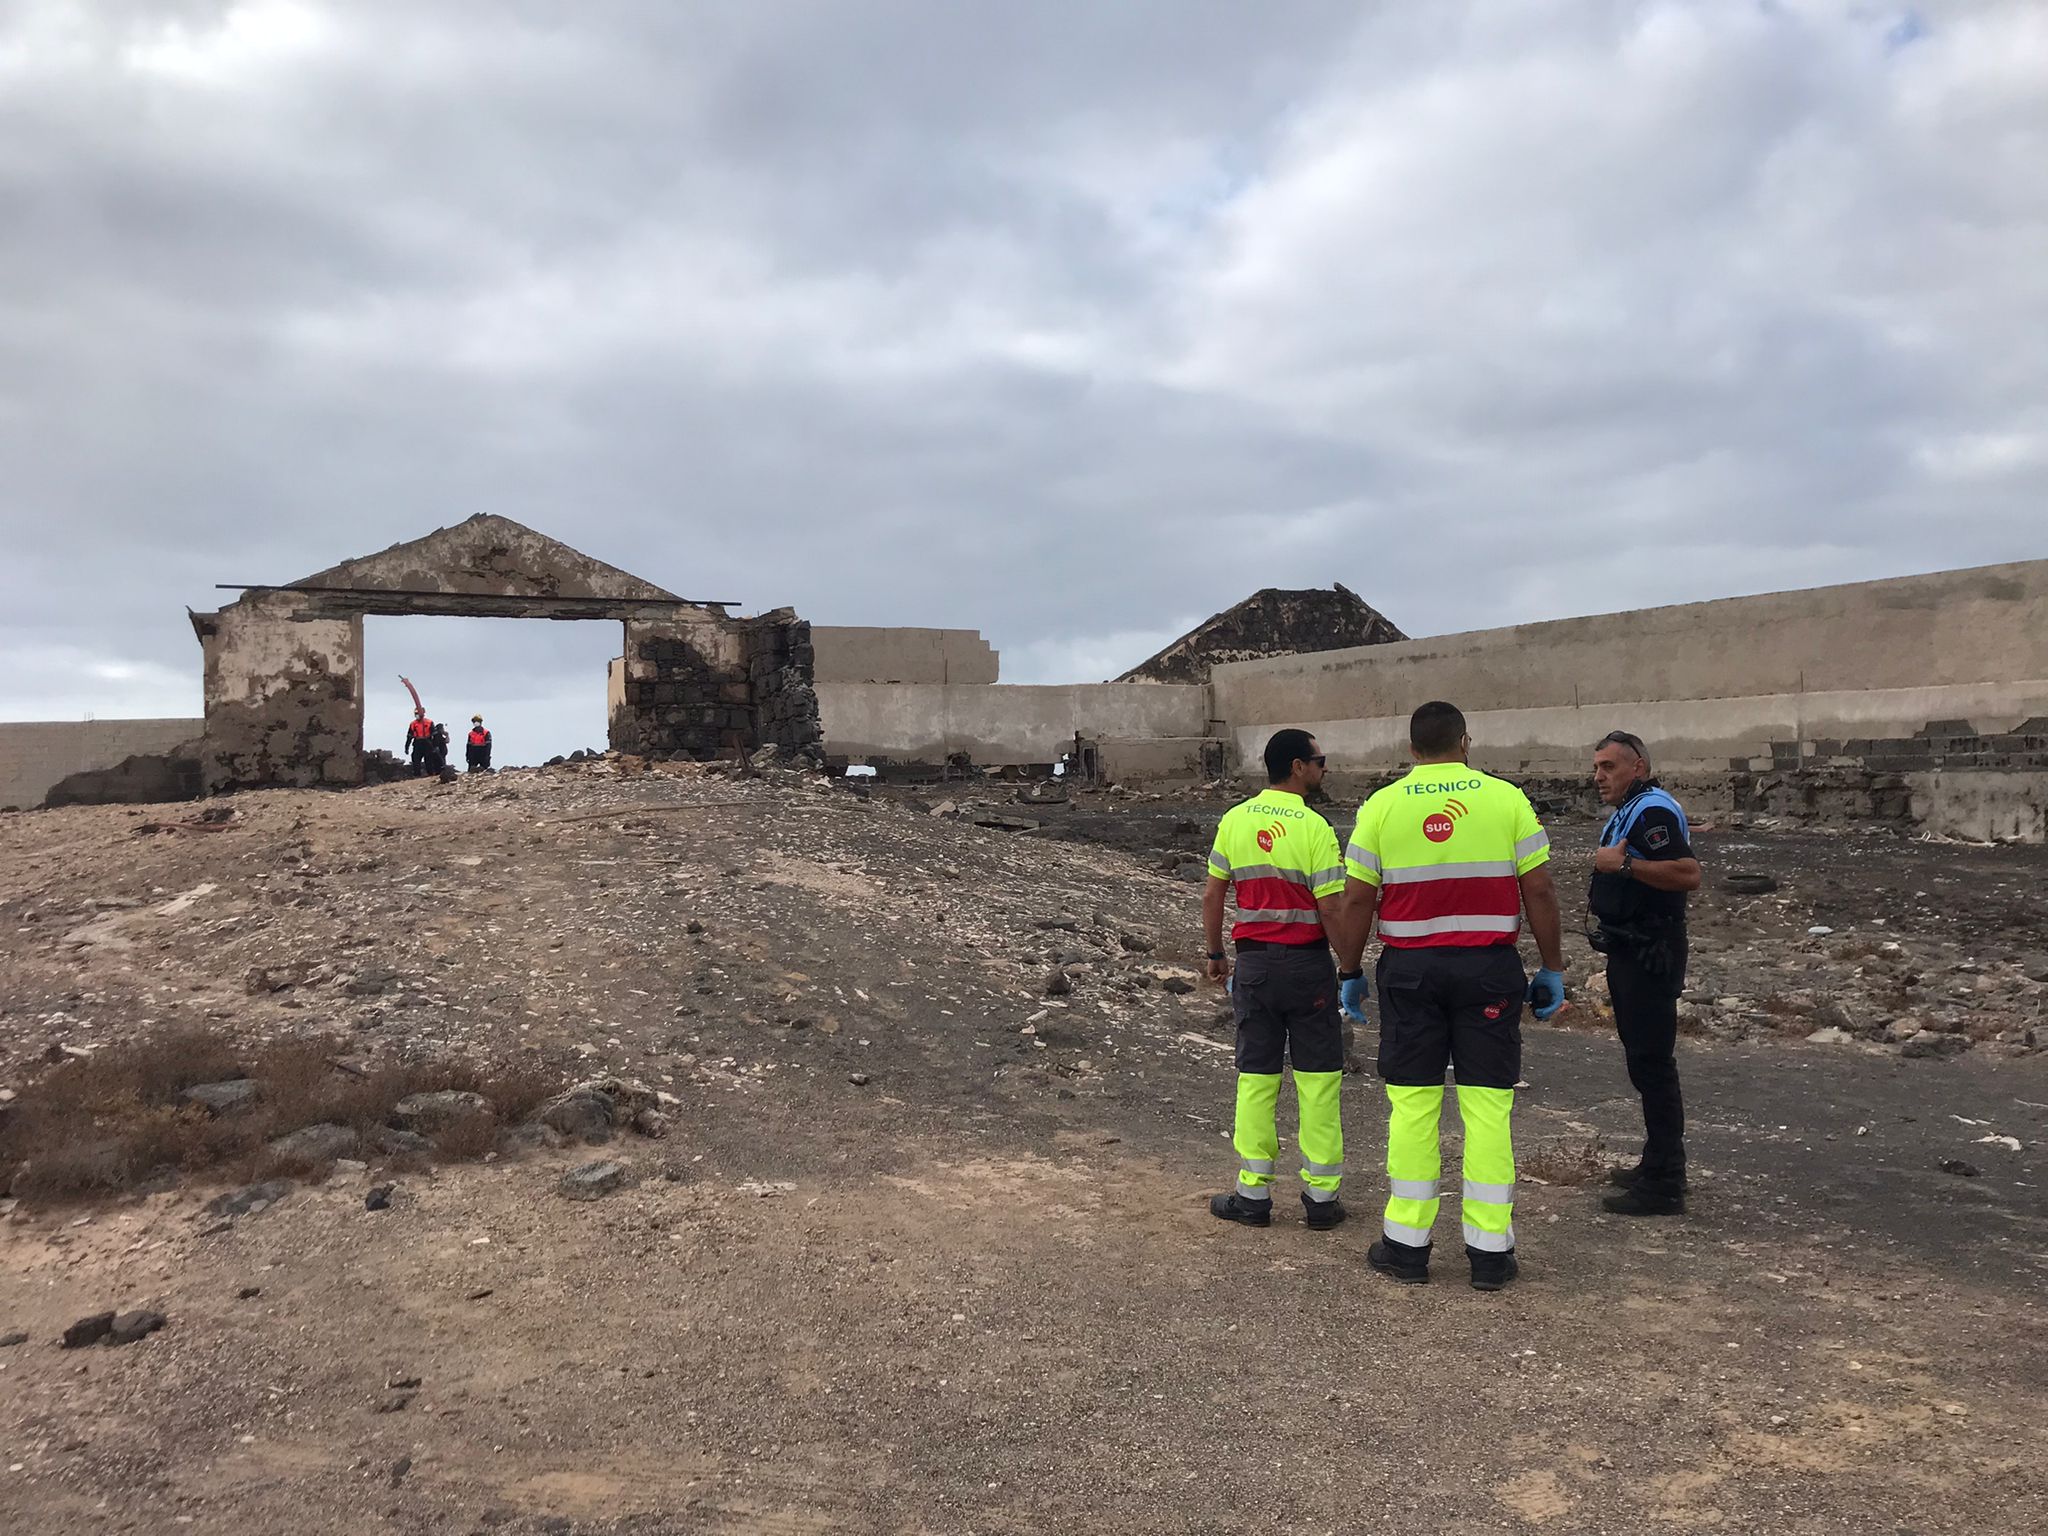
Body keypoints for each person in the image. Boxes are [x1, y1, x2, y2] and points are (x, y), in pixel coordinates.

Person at [1335, 701, 1566, 1291]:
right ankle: (1490, 1254)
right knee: (1488, 1107)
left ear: (1411, 750)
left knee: (1413, 1106)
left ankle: (1407, 1246)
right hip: (1489, 971)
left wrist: (1349, 969)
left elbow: (1359, 899)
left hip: (1410, 972)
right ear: (1466, 742)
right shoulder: (1505, 799)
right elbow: (1537, 888)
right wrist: (1552, 966)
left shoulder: (1381, 807)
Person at [1203, 729, 1350, 1231]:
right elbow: (1330, 905)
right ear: (1296, 767)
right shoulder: (1315, 828)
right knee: (1318, 1080)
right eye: (1319, 760)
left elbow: (1213, 895)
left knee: (1256, 1078)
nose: (1324, 768)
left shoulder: (1234, 820)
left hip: (1255, 966)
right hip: (1307, 965)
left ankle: (1253, 1195)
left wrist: (1216, 953)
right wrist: (1349, 965)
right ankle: (1321, 1200)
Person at [1588, 729, 1703, 1217]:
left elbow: (1687, 873)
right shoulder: (1631, 811)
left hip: (1650, 951)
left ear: (1638, 767)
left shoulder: (1652, 810)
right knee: (1643, 1061)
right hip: (1632, 948)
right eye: (1596, 768)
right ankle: (1655, 1162)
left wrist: (1627, 866)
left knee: (1653, 1065)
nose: (1598, 777)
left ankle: (1665, 1182)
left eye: (1608, 767)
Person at [405, 707, 434, 776]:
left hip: (427, 743)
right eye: (415, 714)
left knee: (428, 759)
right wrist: (406, 747)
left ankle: (430, 774)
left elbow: (434, 735)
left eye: (417, 713)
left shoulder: (429, 722)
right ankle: (417, 775)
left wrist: (435, 746)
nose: (416, 715)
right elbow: (409, 736)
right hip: (417, 743)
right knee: (416, 759)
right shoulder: (413, 724)